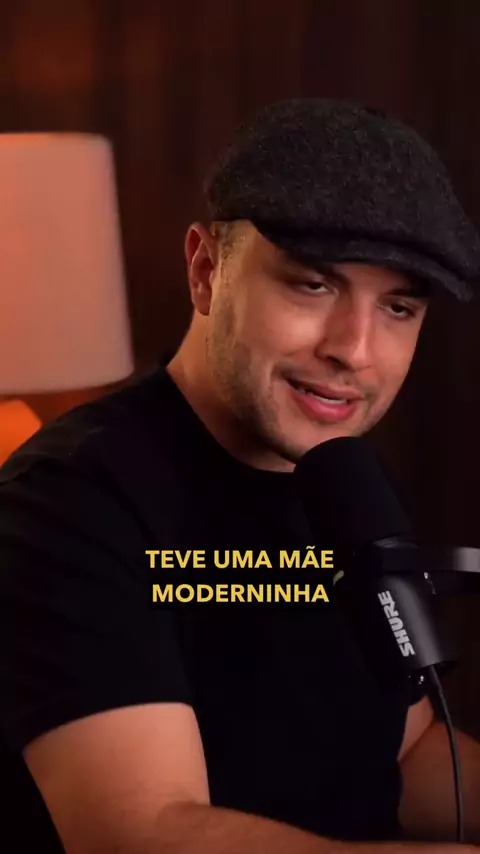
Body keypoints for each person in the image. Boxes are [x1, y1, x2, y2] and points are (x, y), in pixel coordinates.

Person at [0, 98, 480, 854]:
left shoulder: (350, 482)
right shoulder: (66, 499)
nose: (355, 350)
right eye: (312, 285)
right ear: (205, 271)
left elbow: (407, 751)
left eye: (397, 307)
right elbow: (142, 832)